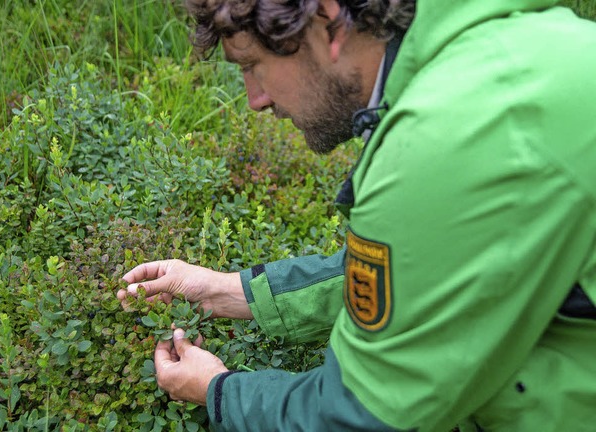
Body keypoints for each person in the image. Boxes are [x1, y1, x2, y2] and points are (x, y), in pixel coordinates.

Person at [117, 0, 596, 430]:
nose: (255, 100)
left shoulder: (443, 140)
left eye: (253, 66)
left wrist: (218, 390)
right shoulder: (499, 50)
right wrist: (227, 292)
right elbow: (423, 268)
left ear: (327, 22)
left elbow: (362, 414)